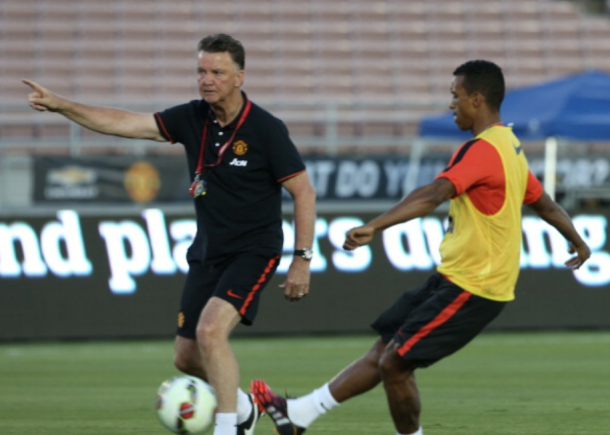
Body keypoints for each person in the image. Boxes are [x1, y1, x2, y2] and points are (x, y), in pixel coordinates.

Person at [251, 60, 591, 435]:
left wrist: (376, 225)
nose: (451, 104)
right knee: (384, 351)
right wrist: (577, 240)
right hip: (454, 278)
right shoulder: (509, 145)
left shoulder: (481, 150)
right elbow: (542, 201)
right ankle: (299, 414)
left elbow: (433, 194)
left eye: (455, 96)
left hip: (476, 286)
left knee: (395, 363)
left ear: (476, 99)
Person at [24, 33, 317, 435]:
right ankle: (247, 407)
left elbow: (303, 190)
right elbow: (125, 123)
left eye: (217, 72)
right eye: (201, 71)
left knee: (211, 330)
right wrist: (62, 105)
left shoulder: (266, 129)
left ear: (239, 77)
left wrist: (302, 259)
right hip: (207, 251)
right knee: (186, 356)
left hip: (254, 249)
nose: (207, 79)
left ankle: (229, 428)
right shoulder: (192, 117)